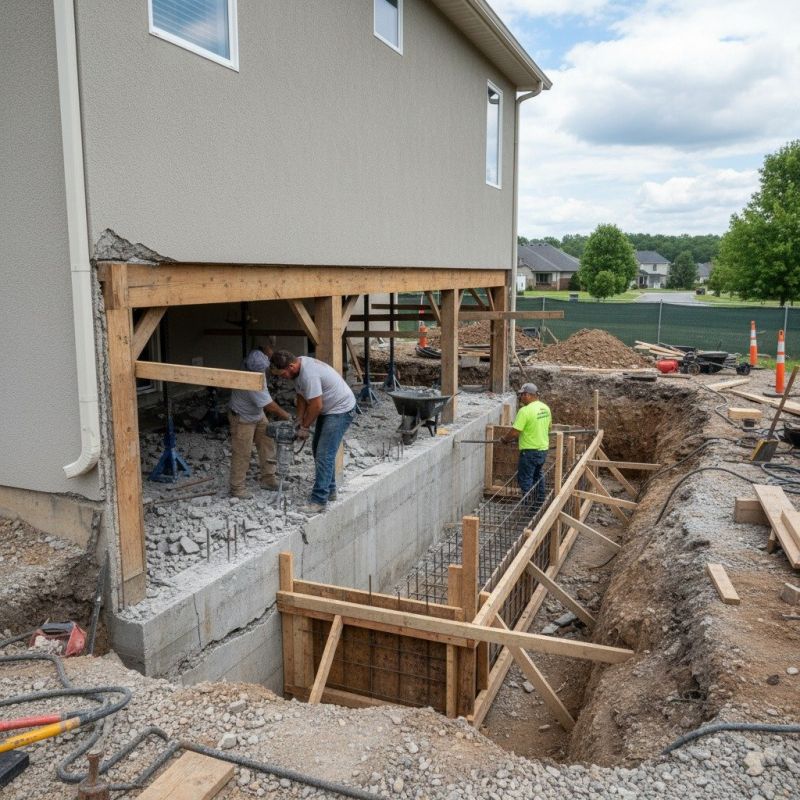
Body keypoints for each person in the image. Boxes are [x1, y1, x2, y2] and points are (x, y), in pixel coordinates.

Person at [270, 350, 357, 514]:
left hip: (341, 409)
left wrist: (304, 428)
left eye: (283, 374)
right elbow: (302, 397)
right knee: (319, 450)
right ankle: (330, 490)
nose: (283, 377)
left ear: (291, 366)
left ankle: (319, 500)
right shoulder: (298, 369)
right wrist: (299, 419)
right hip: (329, 409)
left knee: (324, 454)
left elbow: (316, 405)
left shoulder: (309, 375)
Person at [228, 348, 291, 499]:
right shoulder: (251, 379)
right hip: (242, 417)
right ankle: (237, 488)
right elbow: (269, 405)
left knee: (267, 445)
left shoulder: (255, 362)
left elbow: (267, 350)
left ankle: (268, 479)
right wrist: (288, 416)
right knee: (242, 452)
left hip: (257, 413)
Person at [500, 383, 552, 505]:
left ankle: (530, 508)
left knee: (525, 479)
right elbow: (549, 427)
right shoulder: (545, 408)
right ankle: (539, 504)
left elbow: (515, 432)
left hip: (529, 452)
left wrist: (505, 439)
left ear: (528, 395)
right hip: (543, 450)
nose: (520, 398)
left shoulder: (525, 411)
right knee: (537, 476)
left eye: (522, 395)